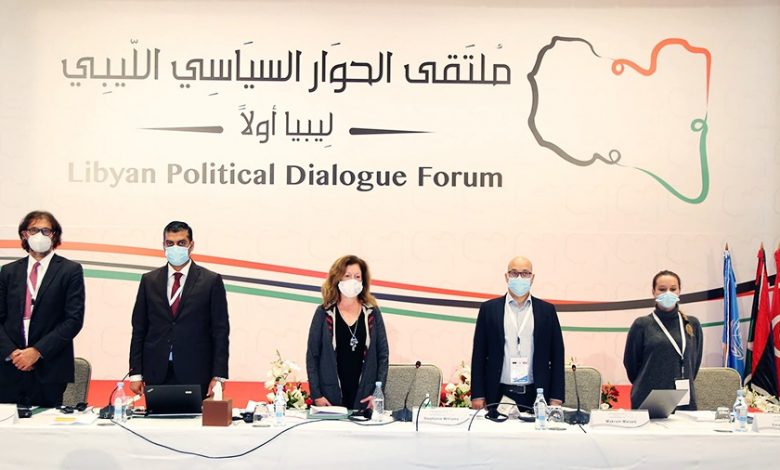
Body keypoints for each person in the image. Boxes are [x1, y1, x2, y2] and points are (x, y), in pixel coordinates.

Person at [129, 221, 229, 399]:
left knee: (195, 418)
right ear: (164, 246)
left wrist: (219, 375)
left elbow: (220, 331)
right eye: (170, 243)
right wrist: (135, 373)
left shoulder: (211, 281)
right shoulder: (149, 281)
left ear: (191, 245)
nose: (175, 248)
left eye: (181, 243)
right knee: (157, 418)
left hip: (196, 371)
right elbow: (139, 329)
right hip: (156, 371)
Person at [0, 211, 85, 407]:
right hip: (9, 368)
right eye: (34, 230)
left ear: (54, 235)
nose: (39, 235)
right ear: (24, 234)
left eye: (46, 230)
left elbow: (73, 320)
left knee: (45, 424)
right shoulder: (8, 271)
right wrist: (13, 353)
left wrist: (37, 351)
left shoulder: (70, 270)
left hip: (50, 369)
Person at [471, 256, 565, 415]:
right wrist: (478, 394)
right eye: (514, 273)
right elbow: (479, 354)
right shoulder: (489, 309)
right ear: (506, 276)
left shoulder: (547, 311)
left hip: (537, 394)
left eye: (525, 273)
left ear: (532, 278)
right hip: (498, 393)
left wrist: (556, 397)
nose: (520, 278)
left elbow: (557, 355)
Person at [306, 255, 389, 410]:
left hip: (365, 397)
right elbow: (312, 356)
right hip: (330, 397)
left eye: (357, 277)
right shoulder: (324, 312)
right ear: (337, 278)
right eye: (347, 276)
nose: (353, 281)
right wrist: (316, 395)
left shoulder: (372, 312)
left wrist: (378, 394)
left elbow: (382, 355)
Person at [623, 270, 703, 410]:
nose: (668, 293)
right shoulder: (642, 324)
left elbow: (694, 363)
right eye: (662, 289)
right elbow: (631, 365)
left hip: (683, 399)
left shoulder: (692, 324)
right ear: (653, 292)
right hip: (648, 398)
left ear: (679, 291)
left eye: (673, 289)